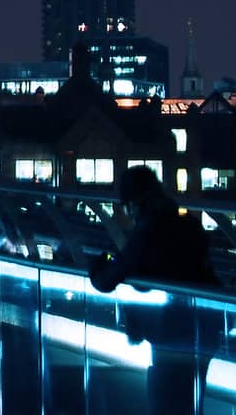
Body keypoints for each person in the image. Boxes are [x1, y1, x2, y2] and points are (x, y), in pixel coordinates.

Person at [89, 165, 219, 413]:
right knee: (192, 399)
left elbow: (108, 279)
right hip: (205, 327)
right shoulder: (187, 223)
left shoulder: (149, 229)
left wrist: (97, 265)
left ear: (132, 203)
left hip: (173, 334)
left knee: (166, 401)